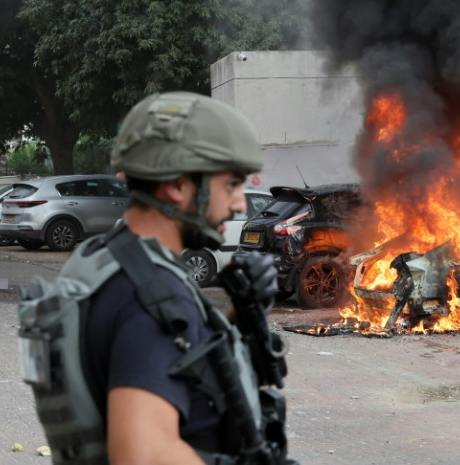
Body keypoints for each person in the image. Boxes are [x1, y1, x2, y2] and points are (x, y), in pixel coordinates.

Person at [50, 91, 288, 464]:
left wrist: (239, 314)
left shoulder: (103, 257)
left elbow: (169, 353)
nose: (241, 203)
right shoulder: (151, 297)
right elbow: (142, 455)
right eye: (230, 185)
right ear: (177, 185)